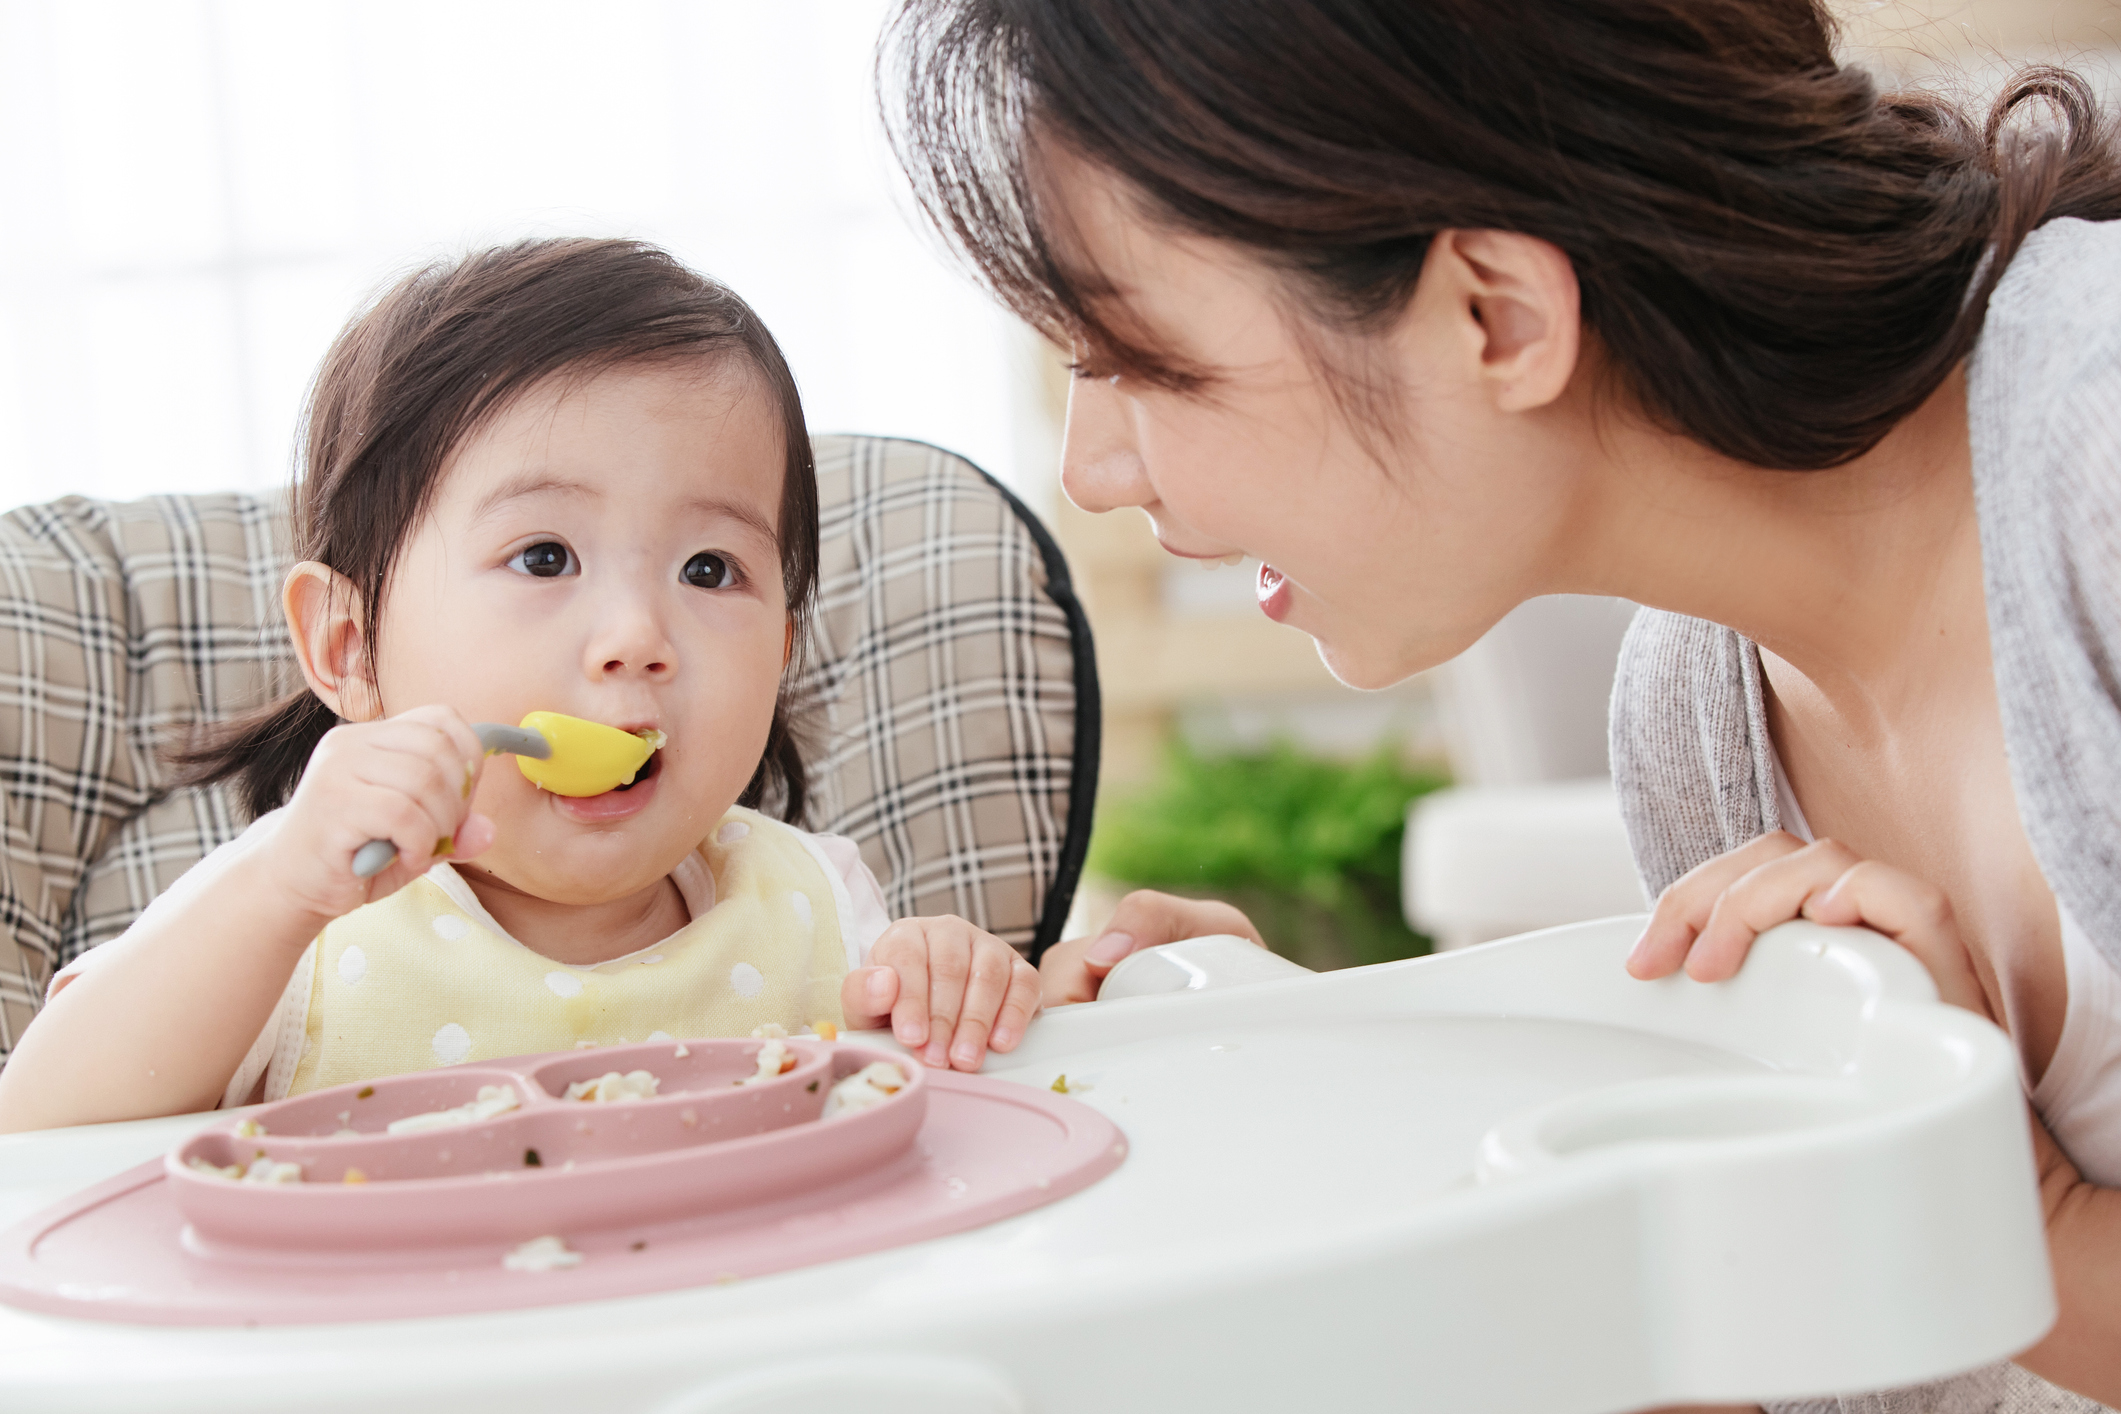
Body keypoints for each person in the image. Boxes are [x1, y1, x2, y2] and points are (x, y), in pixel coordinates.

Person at [880, 1, 2121, 1410]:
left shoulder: (2098, 450)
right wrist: (1327, 1104)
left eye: (1138, 362)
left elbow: (1975, 1266)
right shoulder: (1695, 715)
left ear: (1498, 315)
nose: (1092, 468)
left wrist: (1998, 1200)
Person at [0, 238, 1043, 1133]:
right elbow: (41, 1129)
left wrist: (953, 990)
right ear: (349, 646)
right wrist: (276, 896)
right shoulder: (294, 919)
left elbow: (944, 1127)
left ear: (782, 648)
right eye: (545, 557)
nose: (637, 637)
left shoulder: (822, 910)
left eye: (710, 570)